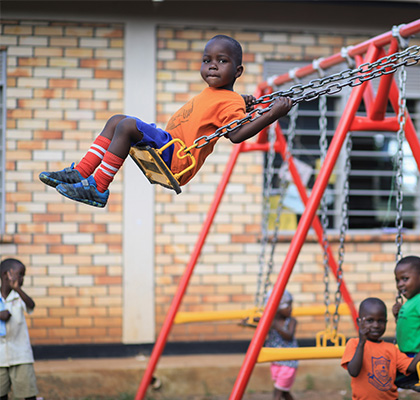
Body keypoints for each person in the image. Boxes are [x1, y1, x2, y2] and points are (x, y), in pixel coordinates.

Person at [39, 34, 293, 207]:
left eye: (222, 61)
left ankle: (99, 187)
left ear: (237, 71)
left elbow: (236, 134)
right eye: (207, 61)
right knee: (117, 120)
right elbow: (226, 110)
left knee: (127, 126)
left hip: (177, 156)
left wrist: (272, 114)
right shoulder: (225, 97)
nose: (212, 66)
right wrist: (243, 100)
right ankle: (80, 172)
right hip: (168, 145)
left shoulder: (230, 100)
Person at [341, 297, 420, 400]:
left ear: (386, 322)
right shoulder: (354, 344)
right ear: (359, 322)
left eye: (381, 321)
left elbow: (410, 367)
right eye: (370, 320)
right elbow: (353, 371)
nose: (376, 325)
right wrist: (361, 343)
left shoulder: (391, 349)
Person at [0, 258, 38, 400]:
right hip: (1, 358)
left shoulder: (19, 296)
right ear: (6, 274)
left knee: (28, 394)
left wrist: (17, 289)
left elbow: (31, 305)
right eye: (20, 274)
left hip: (21, 356)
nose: (22, 278)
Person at [392, 255, 420, 390]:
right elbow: (410, 326)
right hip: (406, 355)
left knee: (392, 379)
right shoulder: (410, 302)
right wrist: (397, 316)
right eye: (397, 280)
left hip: (416, 356)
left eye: (405, 279)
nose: (400, 284)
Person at [264, 290, 298, 400]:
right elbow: (259, 328)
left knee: (277, 393)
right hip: (276, 361)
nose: (291, 308)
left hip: (288, 363)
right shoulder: (271, 321)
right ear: (277, 308)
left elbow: (289, 336)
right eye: (287, 305)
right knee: (284, 392)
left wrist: (275, 326)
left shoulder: (291, 321)